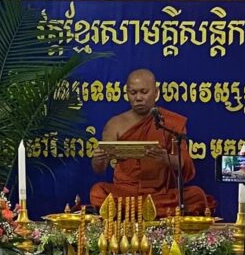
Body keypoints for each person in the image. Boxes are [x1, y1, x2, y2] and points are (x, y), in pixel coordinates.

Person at [90, 69, 215, 216]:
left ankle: (136, 213)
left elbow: (184, 165)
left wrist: (164, 157)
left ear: (156, 92)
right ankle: (151, 213)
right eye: (133, 93)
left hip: (160, 193)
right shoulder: (115, 124)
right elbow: (99, 168)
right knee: (98, 192)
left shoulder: (170, 123)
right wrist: (98, 159)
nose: (138, 98)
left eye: (144, 92)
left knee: (196, 195)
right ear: (127, 93)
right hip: (126, 193)